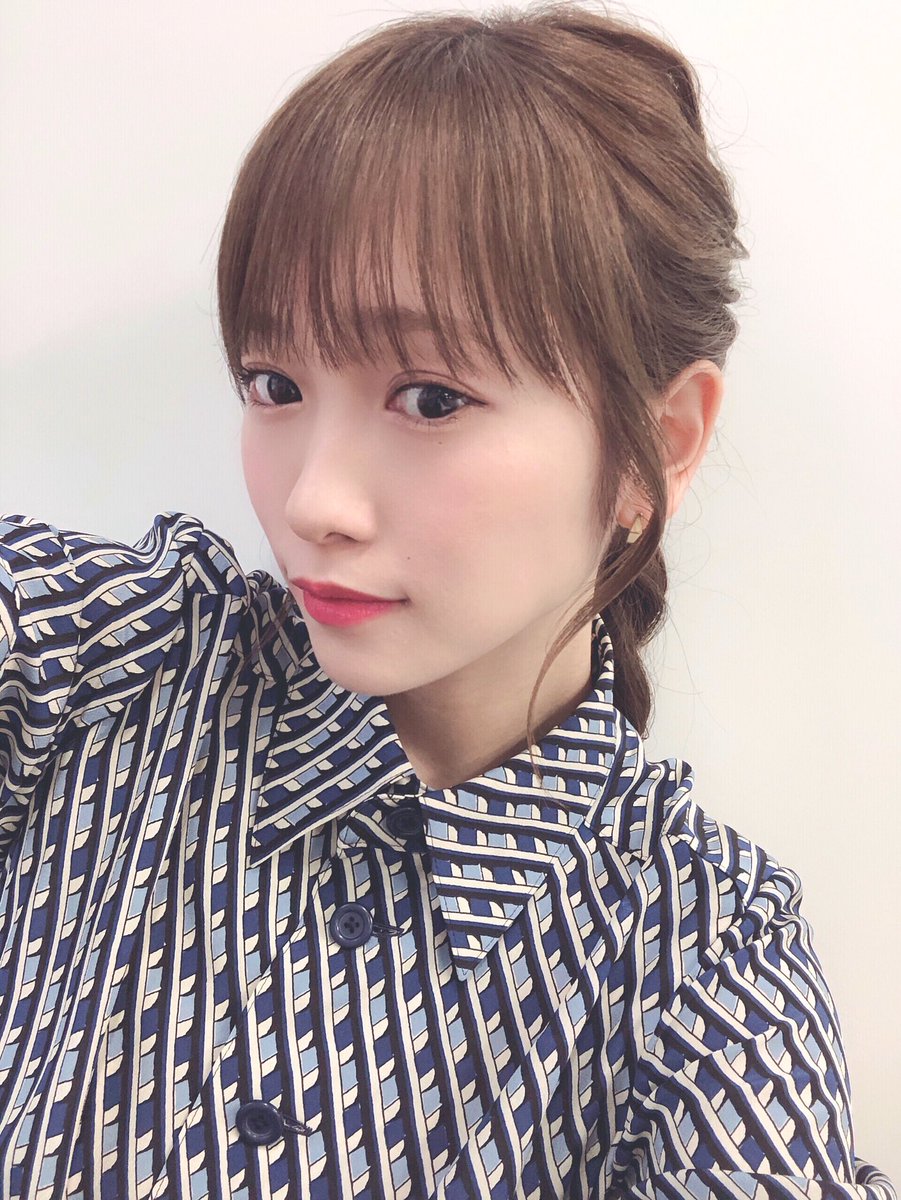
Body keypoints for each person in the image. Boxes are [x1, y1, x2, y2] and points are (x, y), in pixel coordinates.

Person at [0, 2, 895, 1197]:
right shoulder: (120, 665)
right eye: (273, 382)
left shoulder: (699, 957)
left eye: (430, 399)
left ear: (659, 446)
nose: (312, 500)